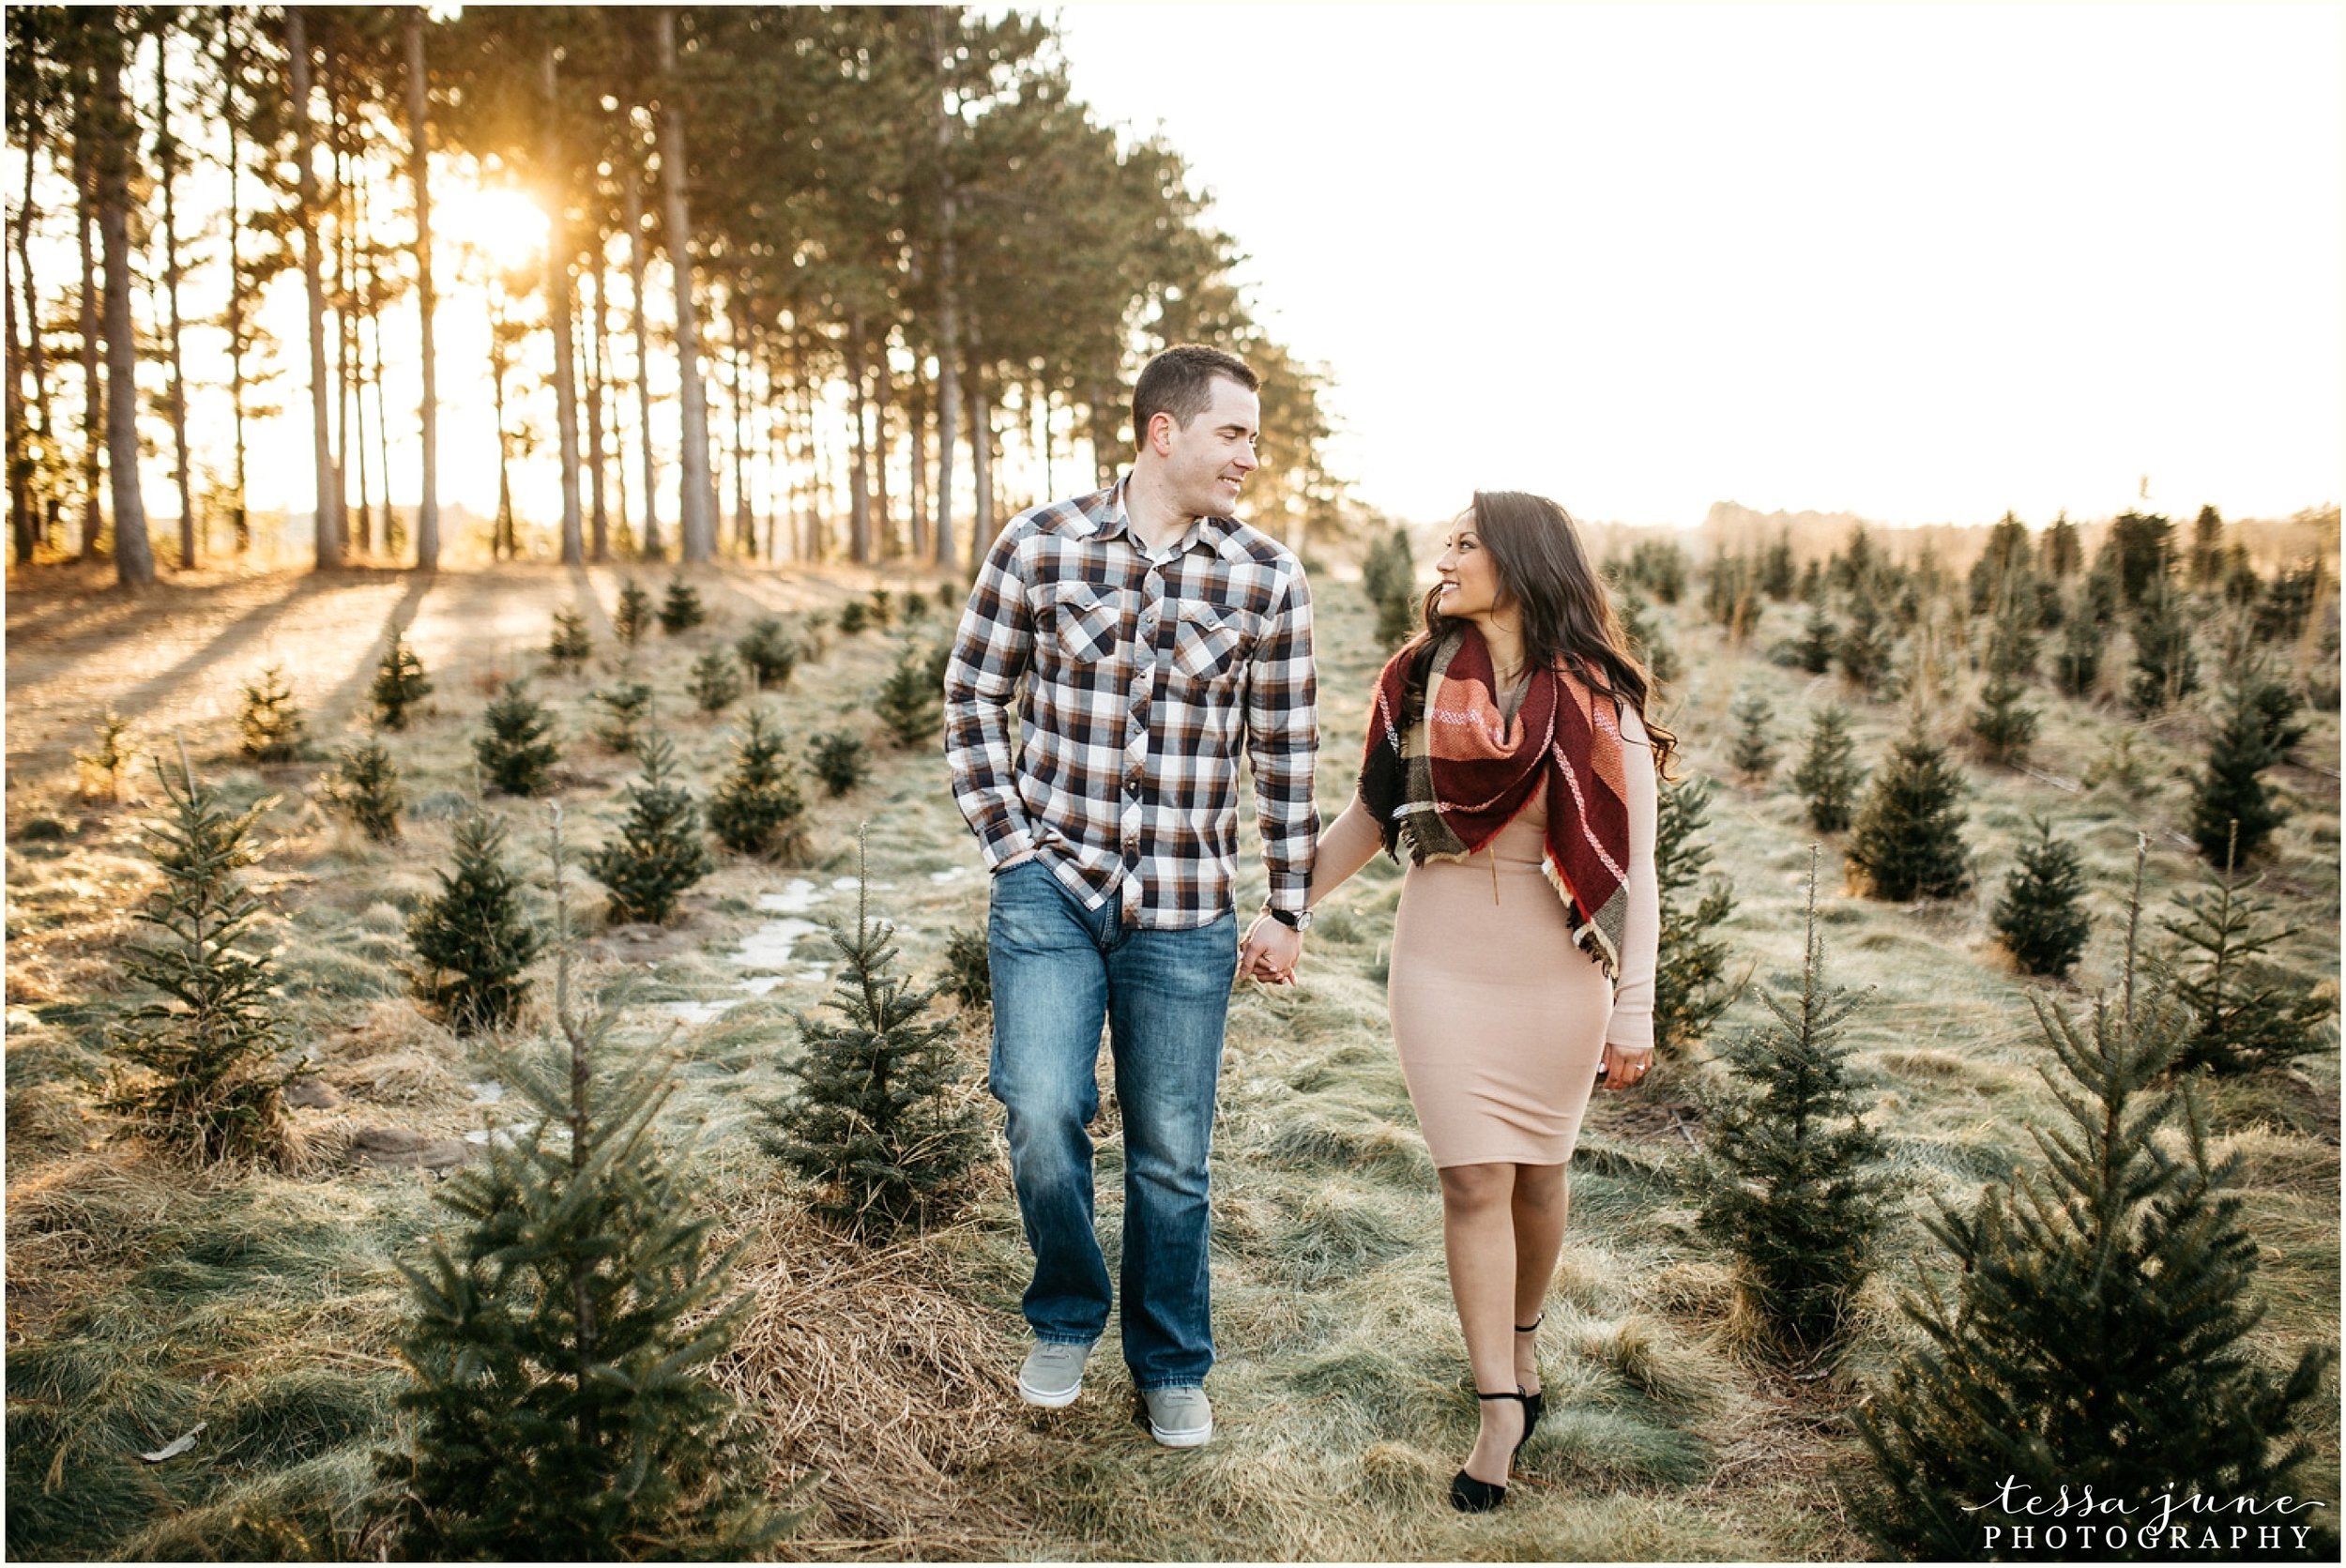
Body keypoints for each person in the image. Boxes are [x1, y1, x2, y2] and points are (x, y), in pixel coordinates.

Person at [1256, 490, 1665, 1511]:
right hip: (1439, 959)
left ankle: (1524, 1341)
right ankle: (1496, 1407)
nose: (1445, 557)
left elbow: (1637, 874)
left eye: (1466, 543)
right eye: (1448, 541)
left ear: (1519, 565)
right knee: (1473, 1180)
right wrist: (1281, 905)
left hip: (1557, 969)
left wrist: (1634, 1009)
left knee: (1538, 1176)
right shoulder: (1417, 679)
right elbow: (1370, 813)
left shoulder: (1599, 704)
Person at [942, 343, 1318, 1449]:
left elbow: (1287, 757)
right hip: (1050, 890)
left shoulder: (1264, 576)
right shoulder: (1041, 543)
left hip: (1186, 907)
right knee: (1043, 1111)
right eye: (1234, 434)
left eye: (1254, 438)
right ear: (1166, 431)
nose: (1250, 456)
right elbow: (971, 696)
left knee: (1170, 1154)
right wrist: (1012, 849)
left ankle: (1170, 1361)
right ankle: (1064, 1310)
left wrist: (1287, 905)